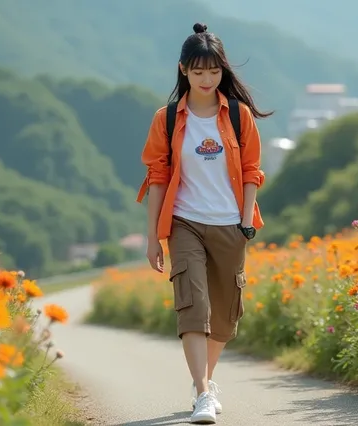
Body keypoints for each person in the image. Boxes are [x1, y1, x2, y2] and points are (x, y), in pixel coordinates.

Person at [135, 22, 271, 424]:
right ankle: (203, 392)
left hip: (231, 224)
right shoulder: (166, 119)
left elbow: (251, 172)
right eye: (198, 72)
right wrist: (153, 238)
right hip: (185, 223)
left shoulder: (239, 116)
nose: (206, 79)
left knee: (226, 315)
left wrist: (246, 221)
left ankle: (205, 383)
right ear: (183, 71)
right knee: (193, 306)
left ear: (222, 70)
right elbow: (157, 179)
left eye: (213, 71)